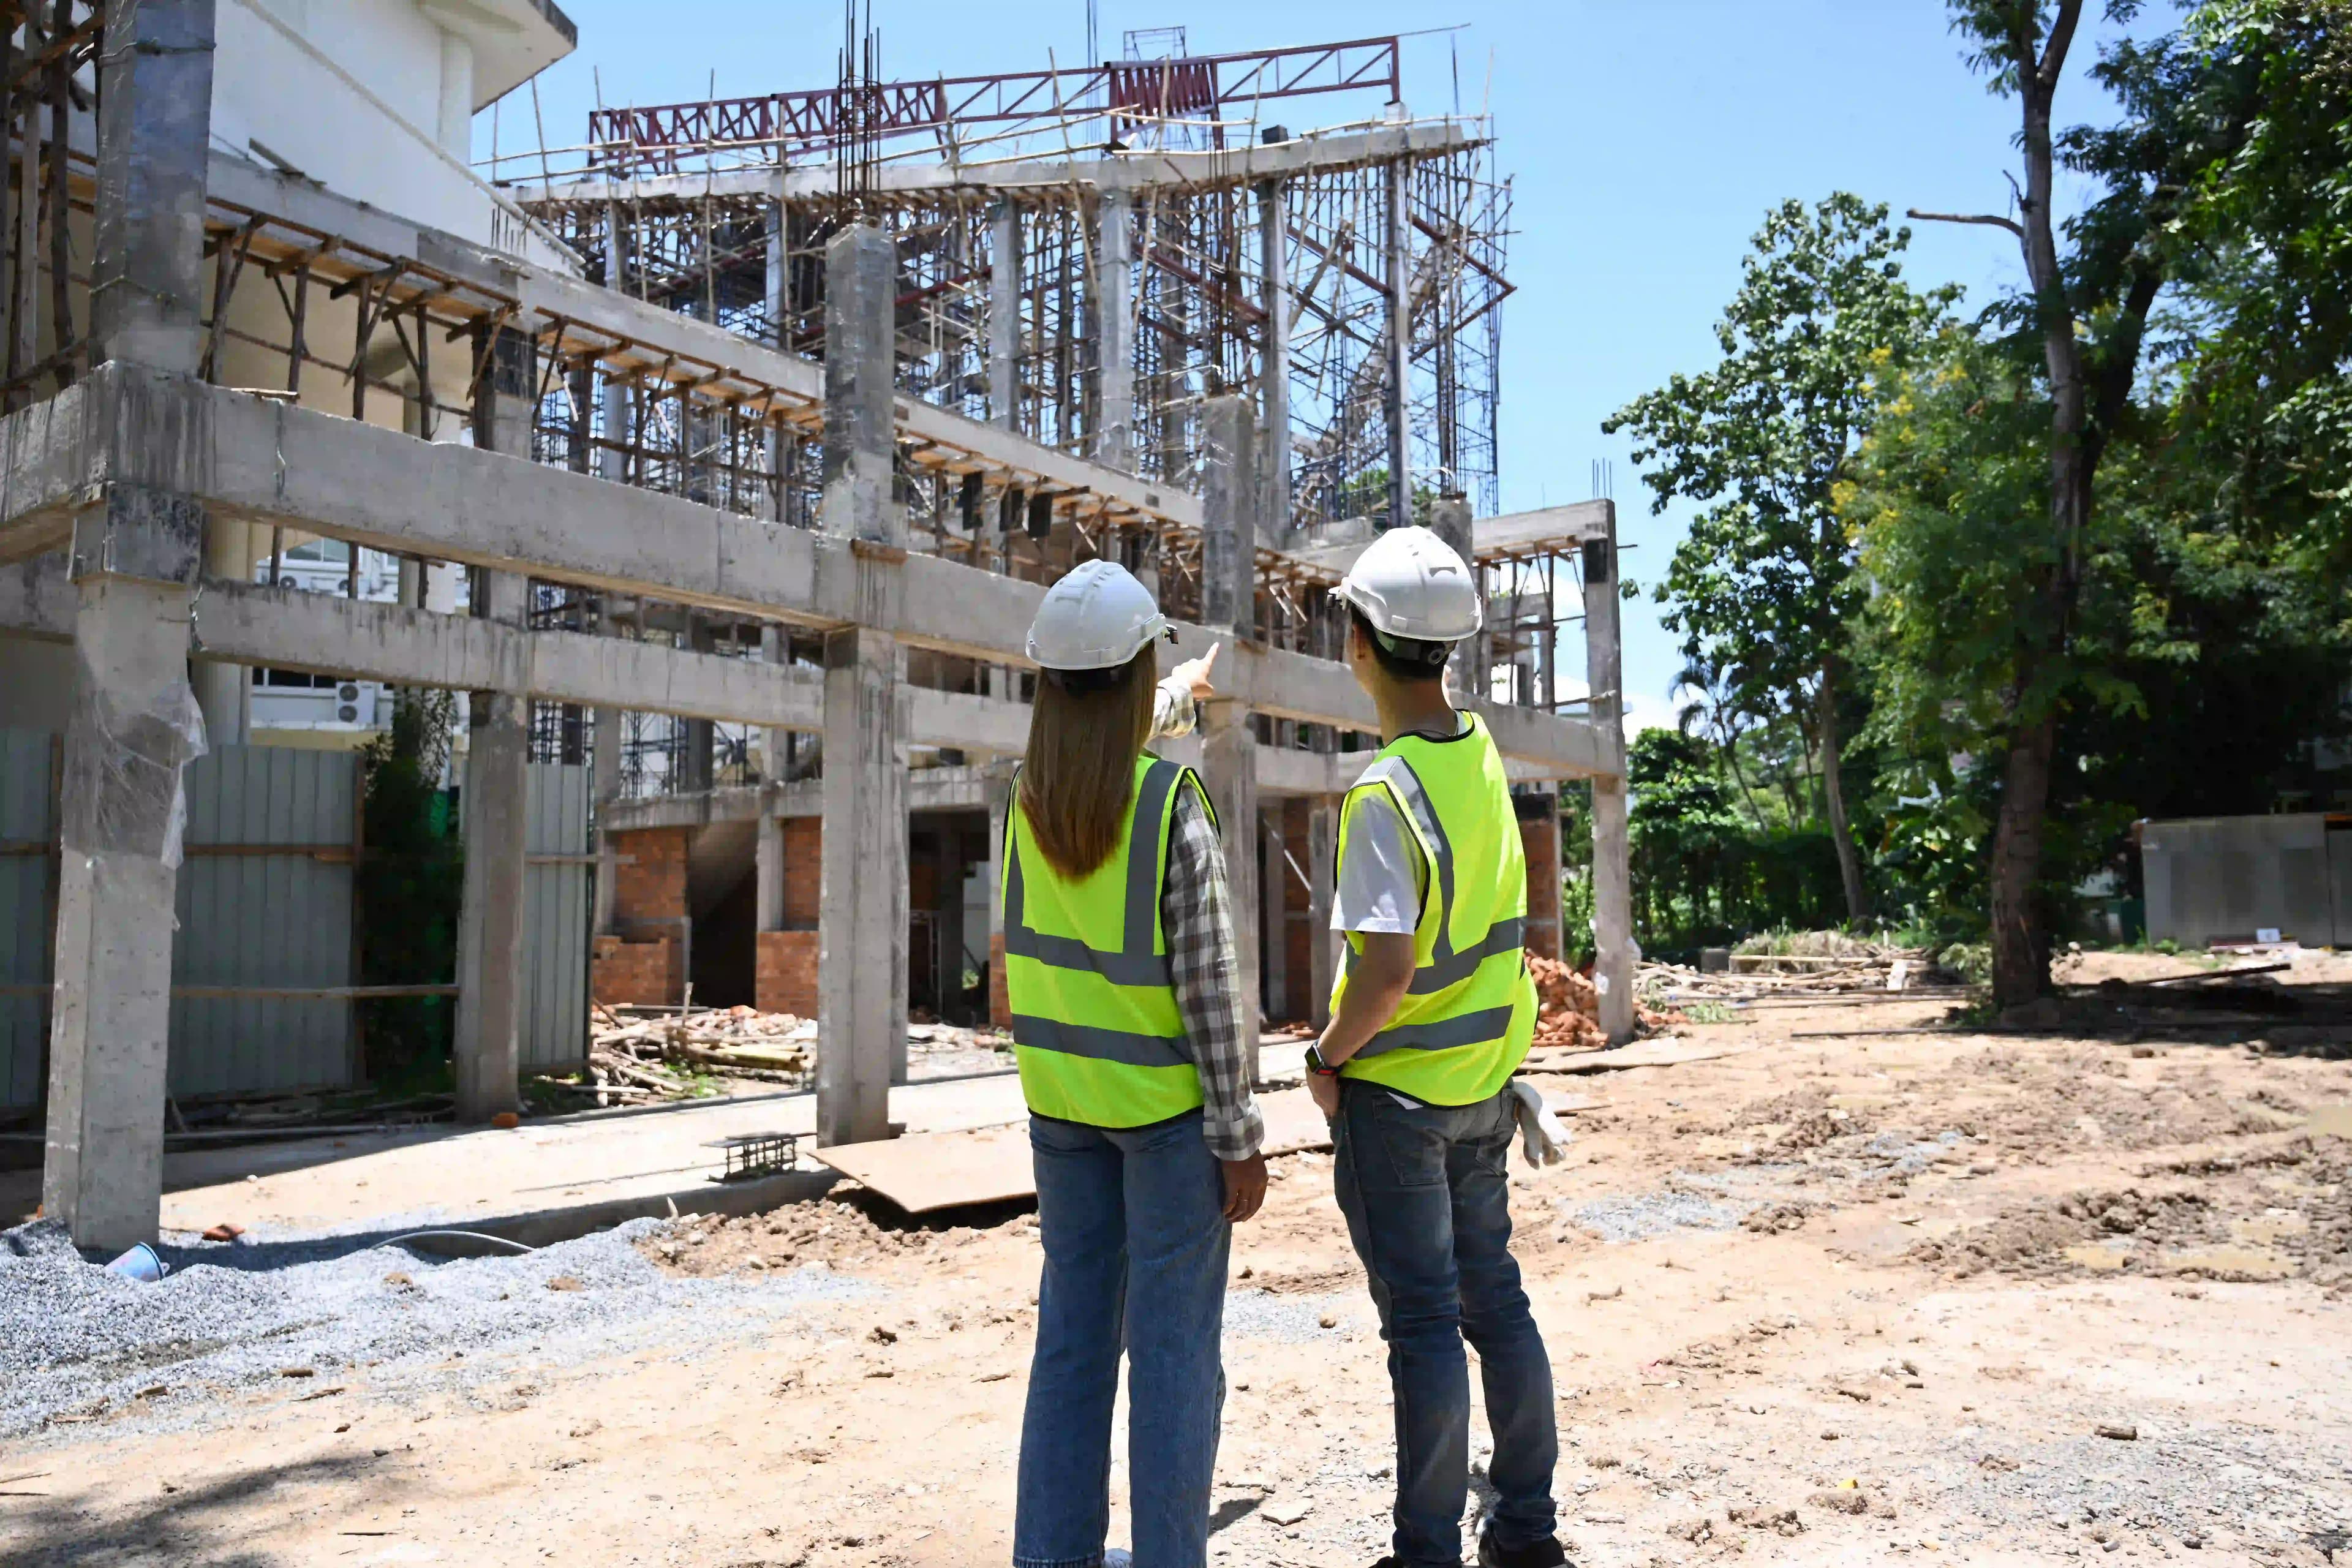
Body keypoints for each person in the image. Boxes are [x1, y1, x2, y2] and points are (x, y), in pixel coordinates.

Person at [1303, 527, 1566, 1568]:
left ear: (1358, 644)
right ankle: (1527, 1530)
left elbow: (1386, 973)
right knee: (1494, 1301)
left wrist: (1326, 1060)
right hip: (1483, 1088)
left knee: (1420, 1323)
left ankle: (1425, 1552)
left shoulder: (1384, 793)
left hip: (1400, 1098)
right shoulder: (1480, 759)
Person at [1008, 559, 1268, 1568]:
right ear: (1130, 681)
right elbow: (1212, 996)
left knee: (1072, 1347)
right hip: (1166, 1129)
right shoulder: (1171, 807)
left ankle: (1052, 1556)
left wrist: (1181, 689)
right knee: (1170, 1359)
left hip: (1062, 1116)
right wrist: (1241, 1138)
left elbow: (1103, 721)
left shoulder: (1026, 800)